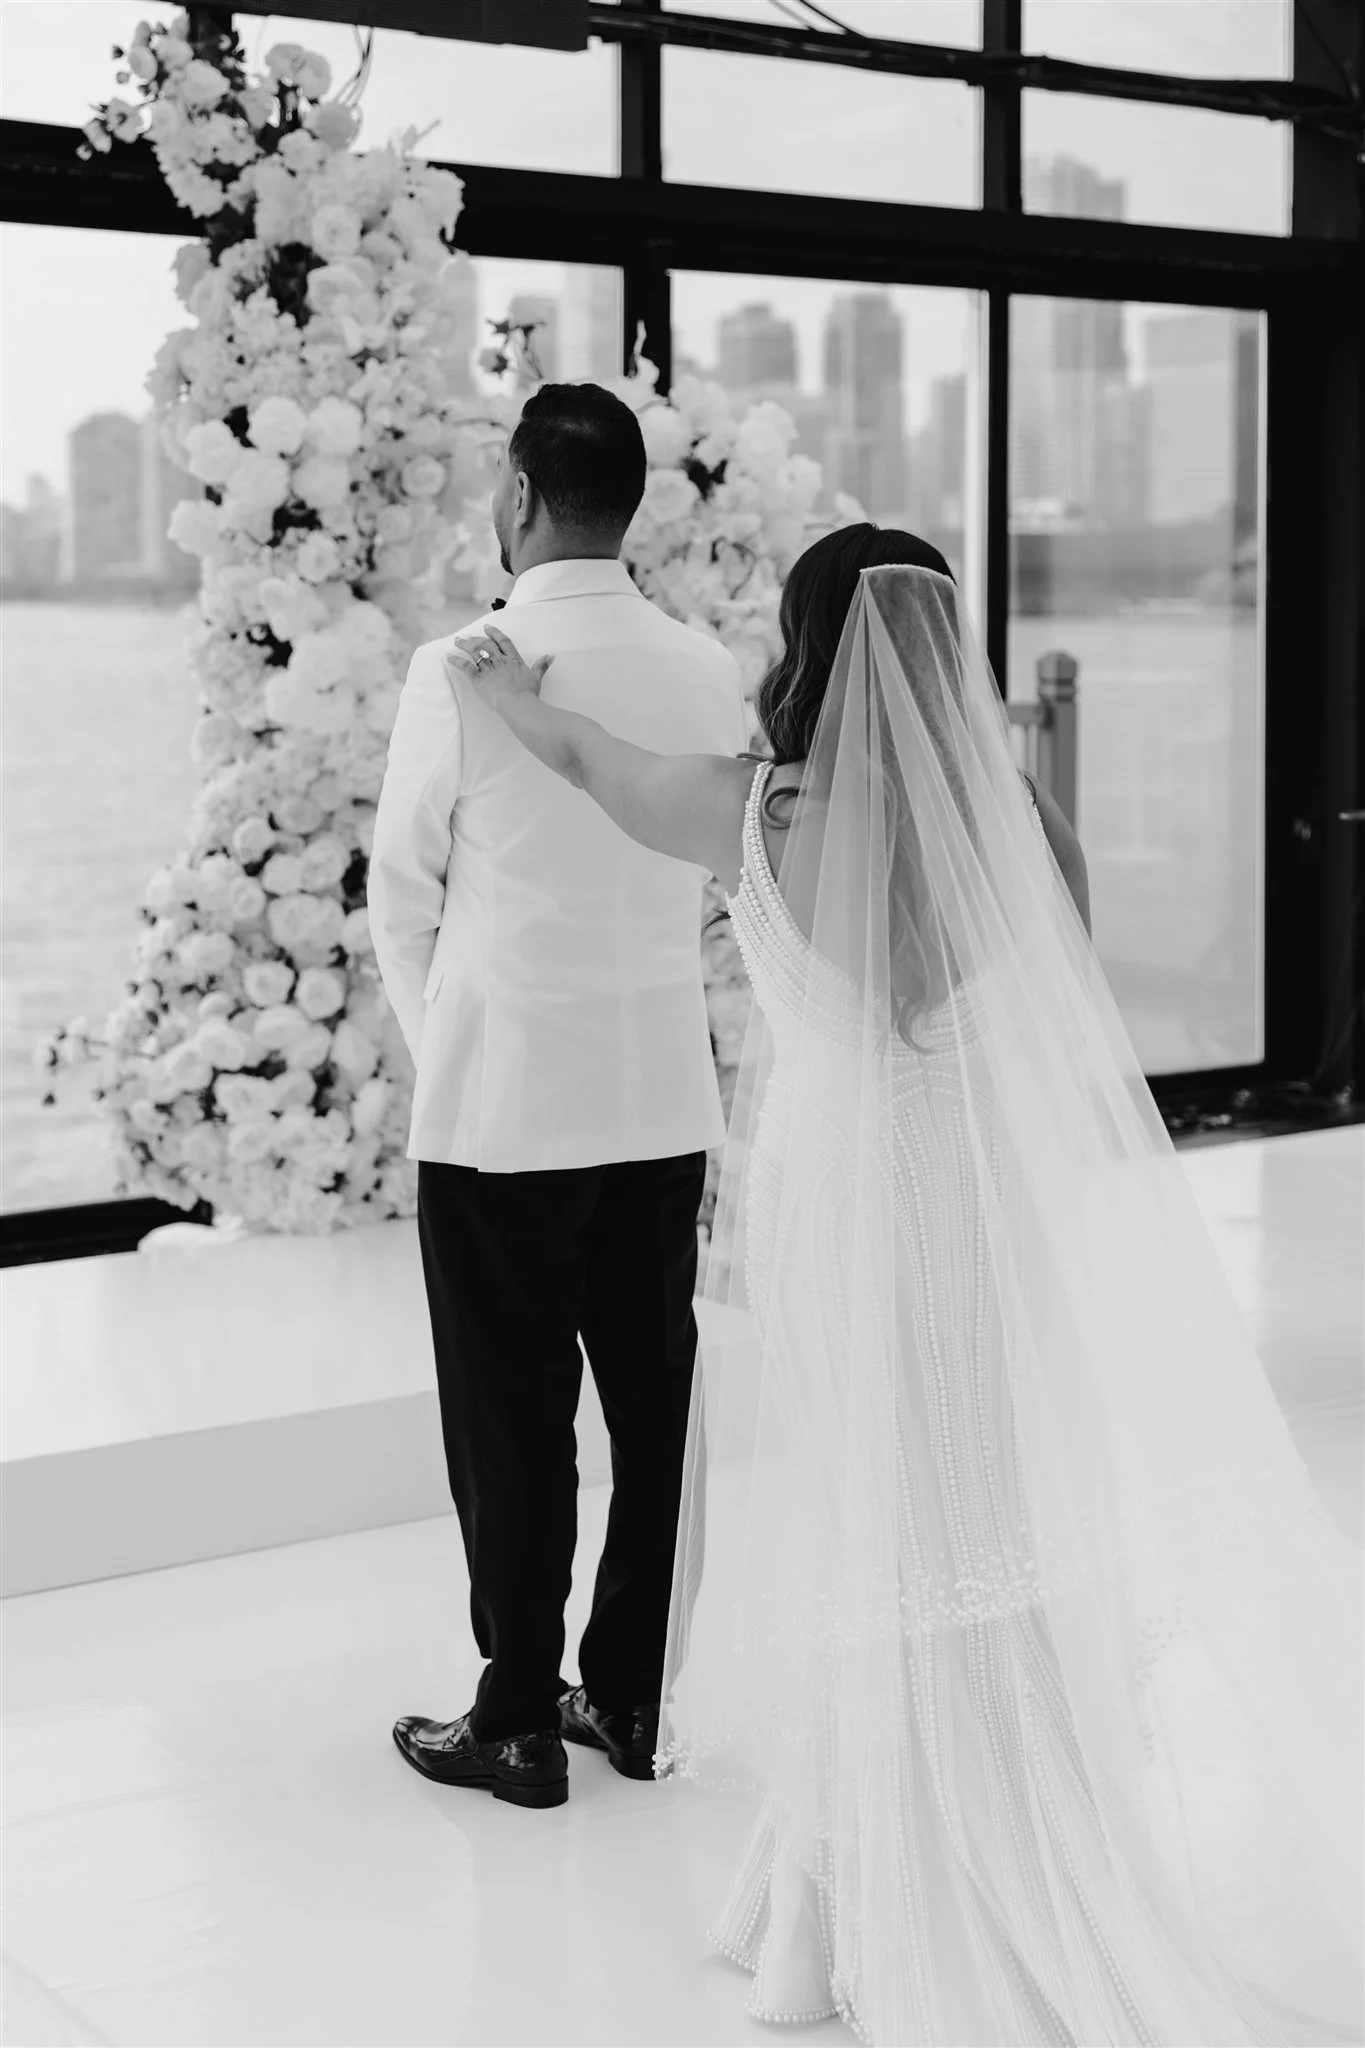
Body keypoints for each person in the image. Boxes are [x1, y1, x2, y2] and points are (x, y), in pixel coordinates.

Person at [443, 526, 1363, 2044]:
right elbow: (1057, 1003)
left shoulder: (760, 812)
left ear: (807, 648)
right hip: (987, 1219)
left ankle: (839, 1894)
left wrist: (498, 693)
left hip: (838, 1223)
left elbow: (594, 764)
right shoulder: (1023, 829)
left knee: (867, 1516)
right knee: (982, 1507)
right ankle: (986, 1838)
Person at [368, 384, 749, 1811]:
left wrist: (452, 1041)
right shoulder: (707, 667)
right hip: (660, 1106)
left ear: (521, 498)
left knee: (510, 1423)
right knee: (653, 1419)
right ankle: (634, 1701)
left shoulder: (464, 664)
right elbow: (718, 886)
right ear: (626, 505)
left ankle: (519, 1719)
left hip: (505, 1111)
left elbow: (401, 898)